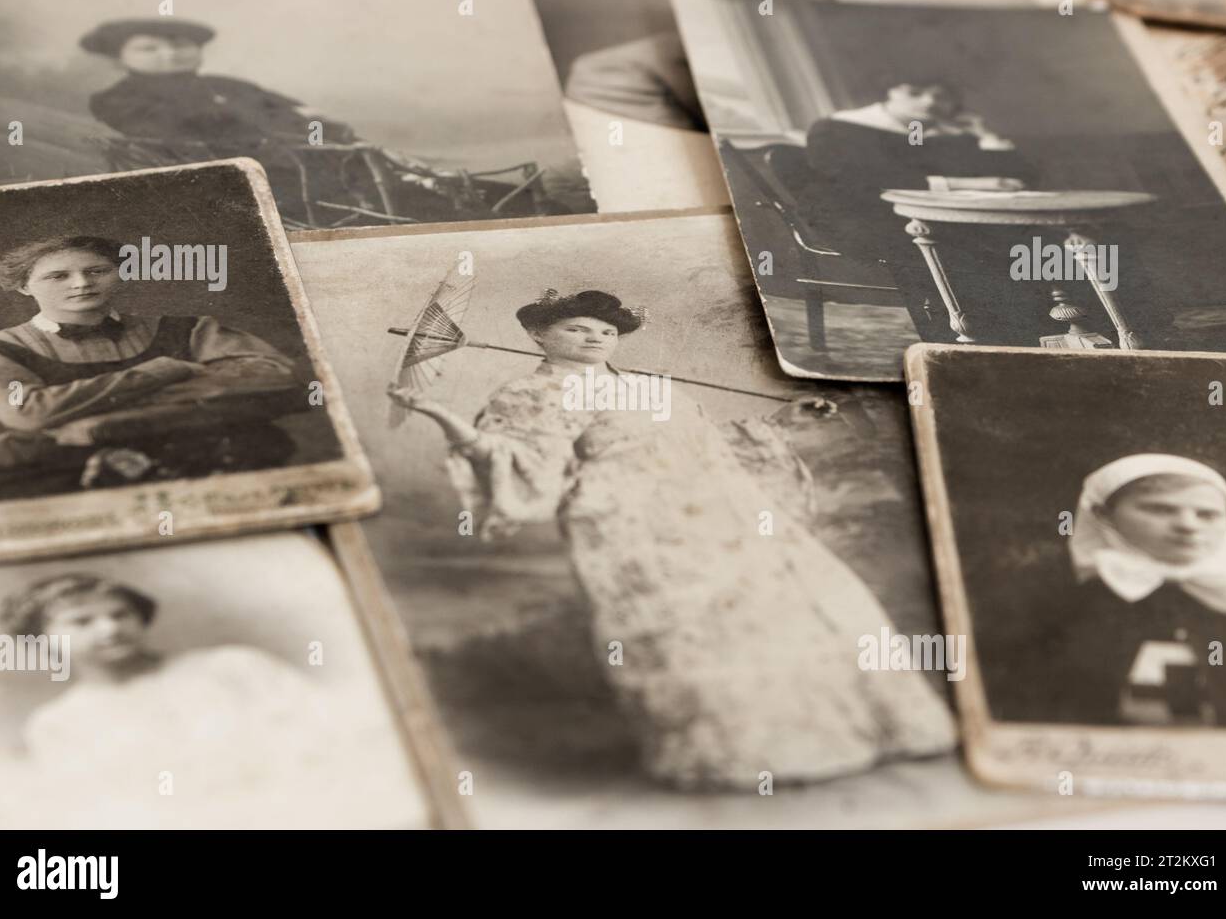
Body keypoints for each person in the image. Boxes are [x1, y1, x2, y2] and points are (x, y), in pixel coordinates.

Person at [390, 288, 954, 788]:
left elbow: (707, 442)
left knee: (784, 610)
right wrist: (441, 415)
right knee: (696, 630)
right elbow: (516, 458)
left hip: (725, 518)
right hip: (636, 527)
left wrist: (788, 418)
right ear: (538, 334)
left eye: (605, 332)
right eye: (576, 330)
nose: (594, 339)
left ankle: (862, 734)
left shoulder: (643, 386)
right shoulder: (528, 394)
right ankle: (747, 756)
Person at [0, 572, 404, 828]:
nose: (110, 628)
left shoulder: (233, 667)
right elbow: (101, 814)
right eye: (82, 621)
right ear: (40, 640)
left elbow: (334, 740)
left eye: (121, 614)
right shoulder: (60, 725)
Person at [0, 235, 300, 500]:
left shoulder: (187, 329)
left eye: (97, 271)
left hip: (198, 458)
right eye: (58, 276)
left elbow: (275, 375)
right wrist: (166, 370)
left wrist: (100, 420)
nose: (81, 283)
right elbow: (31, 414)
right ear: (25, 286)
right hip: (56, 475)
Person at [78, 18, 459, 226]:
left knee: (441, 194)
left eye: (180, 45)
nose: (170, 54)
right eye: (150, 48)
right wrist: (273, 131)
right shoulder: (117, 99)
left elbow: (306, 117)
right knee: (422, 210)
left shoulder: (229, 85)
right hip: (252, 183)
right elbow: (178, 131)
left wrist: (321, 133)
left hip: (323, 164)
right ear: (118, 58)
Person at [993, 454, 1226, 727]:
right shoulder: (1058, 604)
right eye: (1160, 509)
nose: (1187, 525)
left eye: (1207, 515)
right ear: (1104, 516)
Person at [798, 80, 1041, 342]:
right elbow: (864, 179)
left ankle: (1029, 336)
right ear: (890, 91)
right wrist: (964, 183)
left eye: (941, 96)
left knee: (1030, 244)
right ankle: (969, 339)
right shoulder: (837, 127)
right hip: (862, 220)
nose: (929, 102)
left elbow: (1021, 175)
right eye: (915, 93)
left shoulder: (921, 131)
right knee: (971, 255)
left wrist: (984, 134)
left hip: (932, 218)